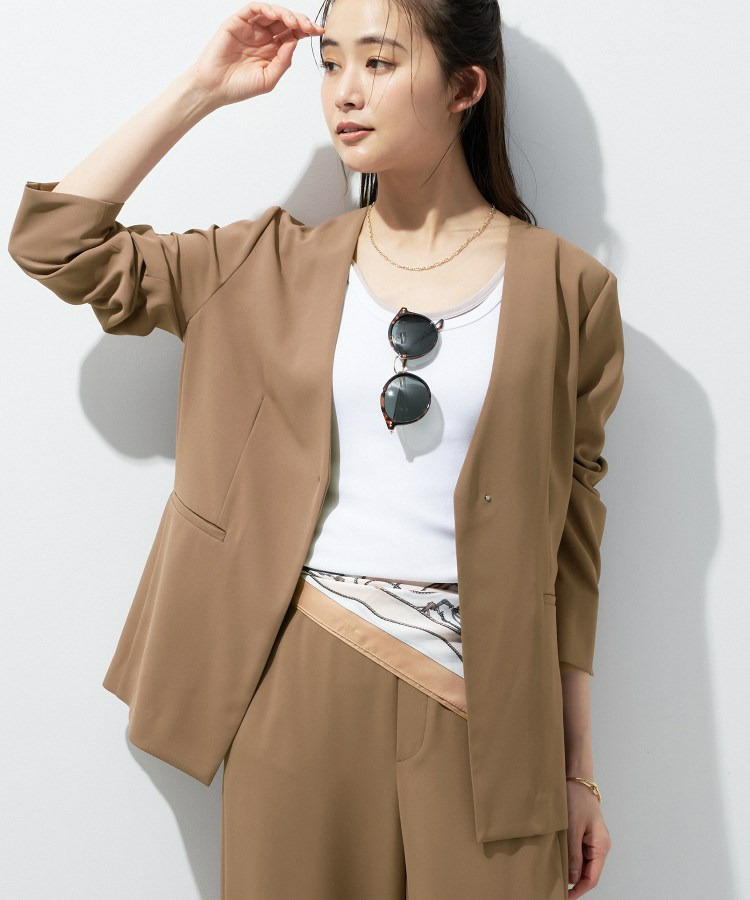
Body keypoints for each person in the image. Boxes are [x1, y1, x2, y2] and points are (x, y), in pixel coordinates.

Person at [7, 1, 624, 897]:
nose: (344, 92)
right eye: (329, 63)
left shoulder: (571, 292)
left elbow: (573, 545)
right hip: (300, 681)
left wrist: (578, 772)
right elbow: (54, 242)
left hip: (492, 714)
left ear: (465, 86)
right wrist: (201, 89)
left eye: (378, 62)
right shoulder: (265, 265)